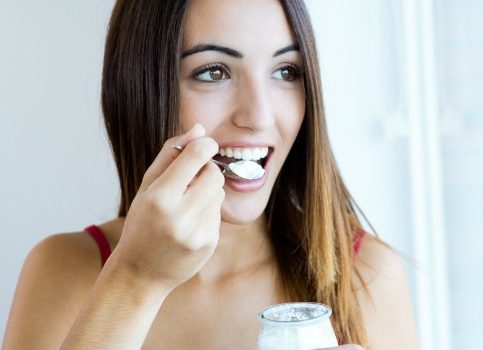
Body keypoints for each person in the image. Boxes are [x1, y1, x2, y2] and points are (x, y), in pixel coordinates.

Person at [2, 0, 418, 349]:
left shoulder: (367, 275)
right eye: (214, 72)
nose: (259, 116)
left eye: (286, 71)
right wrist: (136, 279)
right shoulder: (64, 270)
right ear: (141, 89)